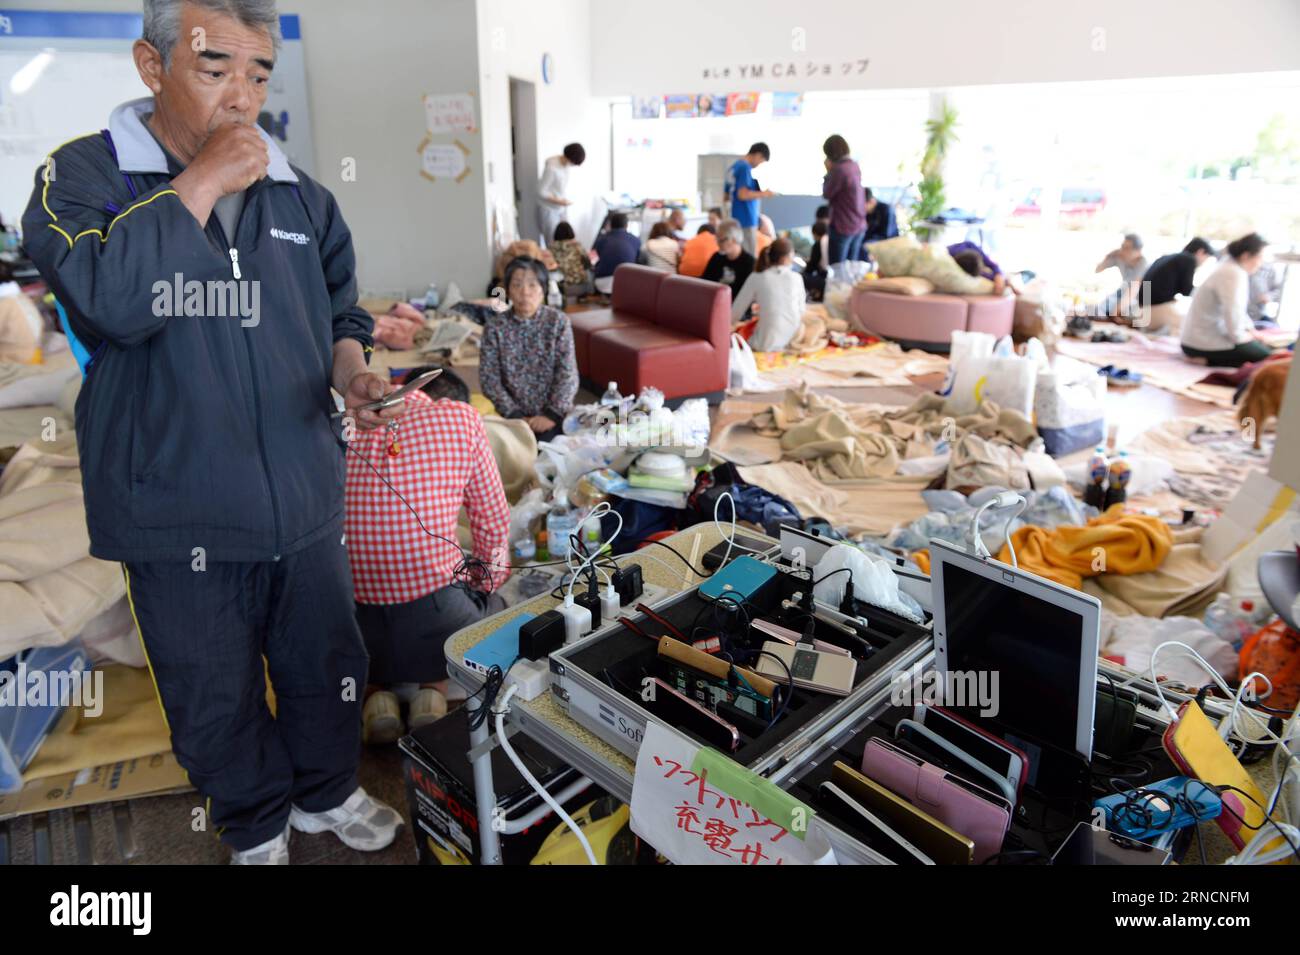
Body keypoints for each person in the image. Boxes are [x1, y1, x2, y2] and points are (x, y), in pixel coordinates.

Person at [21, 0, 403, 865]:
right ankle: (256, 823)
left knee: (324, 664)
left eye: (259, 73)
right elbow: (113, 299)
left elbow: (341, 309)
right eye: (215, 68)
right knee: (209, 688)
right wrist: (199, 185)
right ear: (152, 68)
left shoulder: (301, 193)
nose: (243, 96)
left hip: (304, 491)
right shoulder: (78, 179)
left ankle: (327, 792)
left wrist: (355, 375)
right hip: (175, 503)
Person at [345, 365, 510, 744]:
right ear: (448, 399)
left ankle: (376, 696)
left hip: (348, 619)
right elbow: (493, 520)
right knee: (496, 606)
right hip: (434, 615)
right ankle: (432, 691)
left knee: (374, 610)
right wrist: (483, 583)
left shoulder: (343, 421)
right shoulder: (461, 418)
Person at [479, 256, 579, 439]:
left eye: (532, 285)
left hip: (554, 416)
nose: (525, 292)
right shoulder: (495, 328)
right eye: (517, 285)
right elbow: (490, 379)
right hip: (510, 416)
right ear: (508, 291)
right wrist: (515, 415)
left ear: (543, 289)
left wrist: (551, 414)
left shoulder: (558, 322)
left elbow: (568, 373)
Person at [1181, 233, 1277, 368]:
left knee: (1264, 349)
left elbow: (1238, 312)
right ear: (1246, 255)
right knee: (1270, 359)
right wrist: (1248, 338)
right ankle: (1209, 360)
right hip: (1200, 344)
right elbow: (1233, 315)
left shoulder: (1229, 267)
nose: (1261, 263)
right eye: (1260, 257)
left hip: (1193, 340)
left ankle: (1208, 360)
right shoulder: (1232, 273)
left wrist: (1251, 332)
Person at [731, 238, 806, 352]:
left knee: (744, 331)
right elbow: (801, 310)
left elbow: (736, 311)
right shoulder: (797, 277)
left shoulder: (757, 277)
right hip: (793, 337)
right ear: (786, 258)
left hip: (765, 343)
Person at [1133, 237, 1215, 334]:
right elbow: (1187, 290)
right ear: (1201, 252)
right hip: (1154, 311)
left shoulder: (1167, 257)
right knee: (1192, 328)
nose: (1204, 262)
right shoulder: (1189, 259)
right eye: (1207, 258)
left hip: (1141, 309)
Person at [821, 135, 866, 264]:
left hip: (843, 226)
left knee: (837, 269)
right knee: (851, 269)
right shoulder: (854, 166)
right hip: (858, 224)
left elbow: (827, 193)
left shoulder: (839, 170)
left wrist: (828, 171)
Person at [724, 142, 774, 255]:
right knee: (749, 256)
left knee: (737, 254)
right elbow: (742, 194)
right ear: (758, 154)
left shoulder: (733, 168)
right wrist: (764, 194)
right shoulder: (745, 168)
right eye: (761, 161)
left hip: (735, 219)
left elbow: (726, 197)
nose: (759, 164)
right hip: (746, 218)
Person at [538, 142, 585, 245]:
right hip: (549, 209)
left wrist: (562, 202)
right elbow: (541, 191)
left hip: (561, 208)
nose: (573, 165)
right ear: (569, 158)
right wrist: (559, 201)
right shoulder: (552, 167)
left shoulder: (565, 164)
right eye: (573, 163)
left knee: (567, 238)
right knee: (552, 242)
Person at [1095, 233, 1148, 317]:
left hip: (1142, 296)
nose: (1122, 250)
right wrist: (1109, 255)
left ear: (1138, 251)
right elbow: (1098, 270)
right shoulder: (1120, 258)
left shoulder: (1143, 264)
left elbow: (1133, 290)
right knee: (1100, 309)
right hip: (1124, 290)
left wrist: (1115, 311)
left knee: (1129, 313)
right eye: (1122, 246)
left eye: (1127, 248)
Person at [702, 218, 756, 301]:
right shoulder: (716, 258)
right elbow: (704, 283)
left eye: (721, 240)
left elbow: (746, 297)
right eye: (717, 240)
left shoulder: (749, 263)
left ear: (734, 240)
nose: (718, 244)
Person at [592, 211, 640, 291]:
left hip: (603, 283)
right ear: (627, 225)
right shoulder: (636, 240)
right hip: (628, 282)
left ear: (610, 225)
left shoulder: (602, 239)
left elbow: (597, 257)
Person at [549, 221, 594, 297]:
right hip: (580, 285)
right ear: (571, 232)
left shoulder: (551, 248)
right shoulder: (578, 246)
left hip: (561, 288)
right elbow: (588, 263)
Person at [803, 220, 829, 300]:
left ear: (815, 233)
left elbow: (811, 267)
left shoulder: (818, 244)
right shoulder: (831, 239)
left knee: (801, 278)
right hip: (833, 278)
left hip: (825, 280)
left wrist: (804, 271)